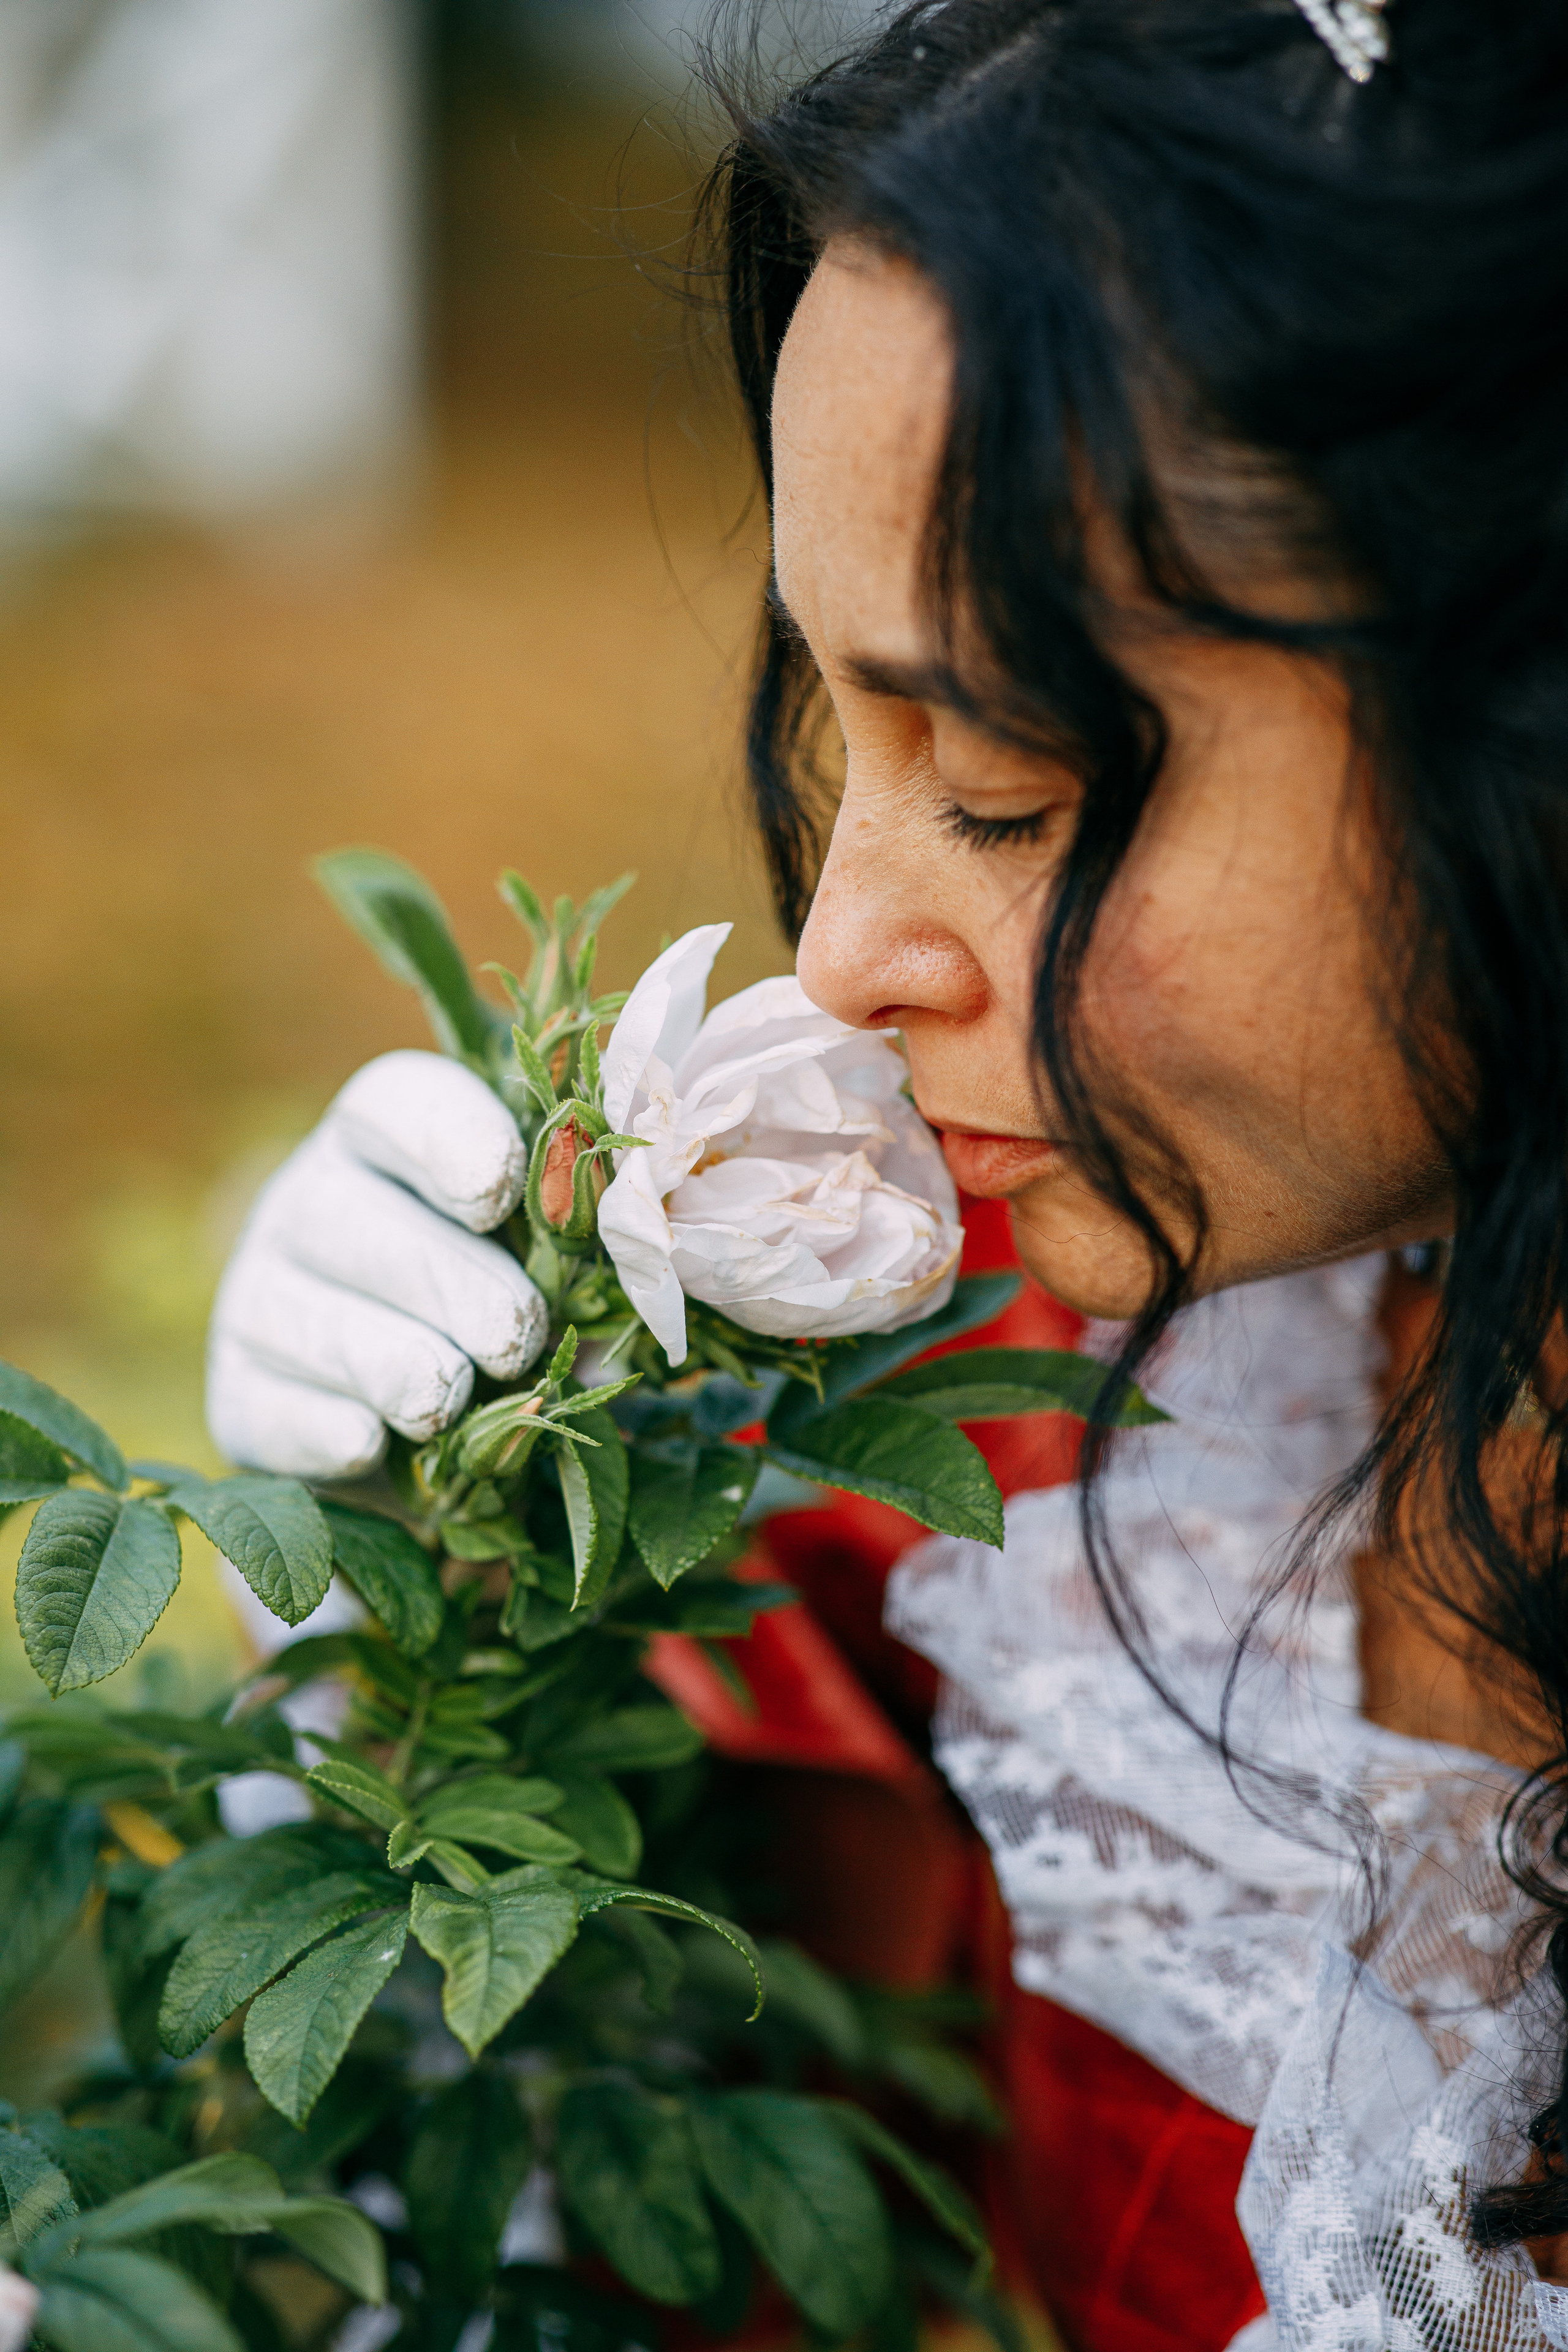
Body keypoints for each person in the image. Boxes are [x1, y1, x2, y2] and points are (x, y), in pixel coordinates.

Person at [206, 3, 1568, 2345]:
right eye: (846, 739)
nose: (841, 959)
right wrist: (384, 1588)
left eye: (1019, 791)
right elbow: (689, 2174)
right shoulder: (1073, 1438)